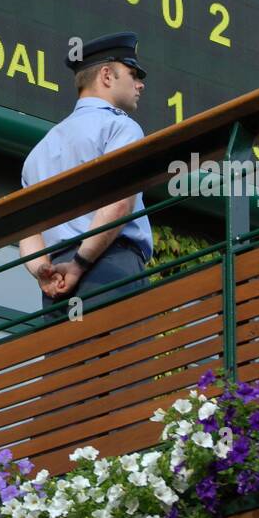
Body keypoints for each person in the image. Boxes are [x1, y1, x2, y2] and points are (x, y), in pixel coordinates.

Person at [19, 33, 153, 323]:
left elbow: (29, 234)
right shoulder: (120, 128)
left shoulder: (38, 153)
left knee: (68, 367)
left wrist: (44, 271)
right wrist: (79, 264)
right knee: (126, 365)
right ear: (106, 75)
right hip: (110, 266)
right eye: (133, 74)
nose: (140, 84)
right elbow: (119, 206)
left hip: (57, 284)